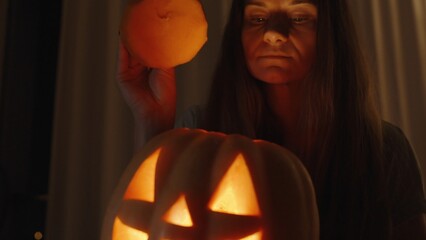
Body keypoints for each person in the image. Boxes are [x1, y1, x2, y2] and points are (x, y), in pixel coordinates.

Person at [117, 0, 426, 239]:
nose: (274, 34)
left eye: (300, 17)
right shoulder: (200, 127)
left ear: (332, 32)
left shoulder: (386, 151)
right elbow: (150, 221)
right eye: (258, 18)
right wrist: (153, 121)